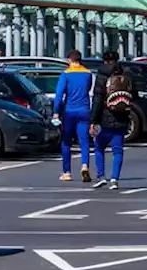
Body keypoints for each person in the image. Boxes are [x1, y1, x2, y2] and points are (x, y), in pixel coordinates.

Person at [90, 50, 134, 189]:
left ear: (104, 61)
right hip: (122, 117)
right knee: (118, 150)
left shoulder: (101, 76)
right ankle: (114, 179)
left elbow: (97, 100)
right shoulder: (125, 74)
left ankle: (101, 176)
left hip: (104, 117)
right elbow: (135, 94)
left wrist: (93, 120)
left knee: (99, 147)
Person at [54, 50, 96, 183]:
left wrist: (56, 112)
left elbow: (59, 95)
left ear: (69, 60)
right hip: (84, 109)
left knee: (66, 142)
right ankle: (85, 165)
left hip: (69, 111)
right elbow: (88, 90)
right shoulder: (88, 73)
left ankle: (67, 172)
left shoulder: (65, 74)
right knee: (84, 141)